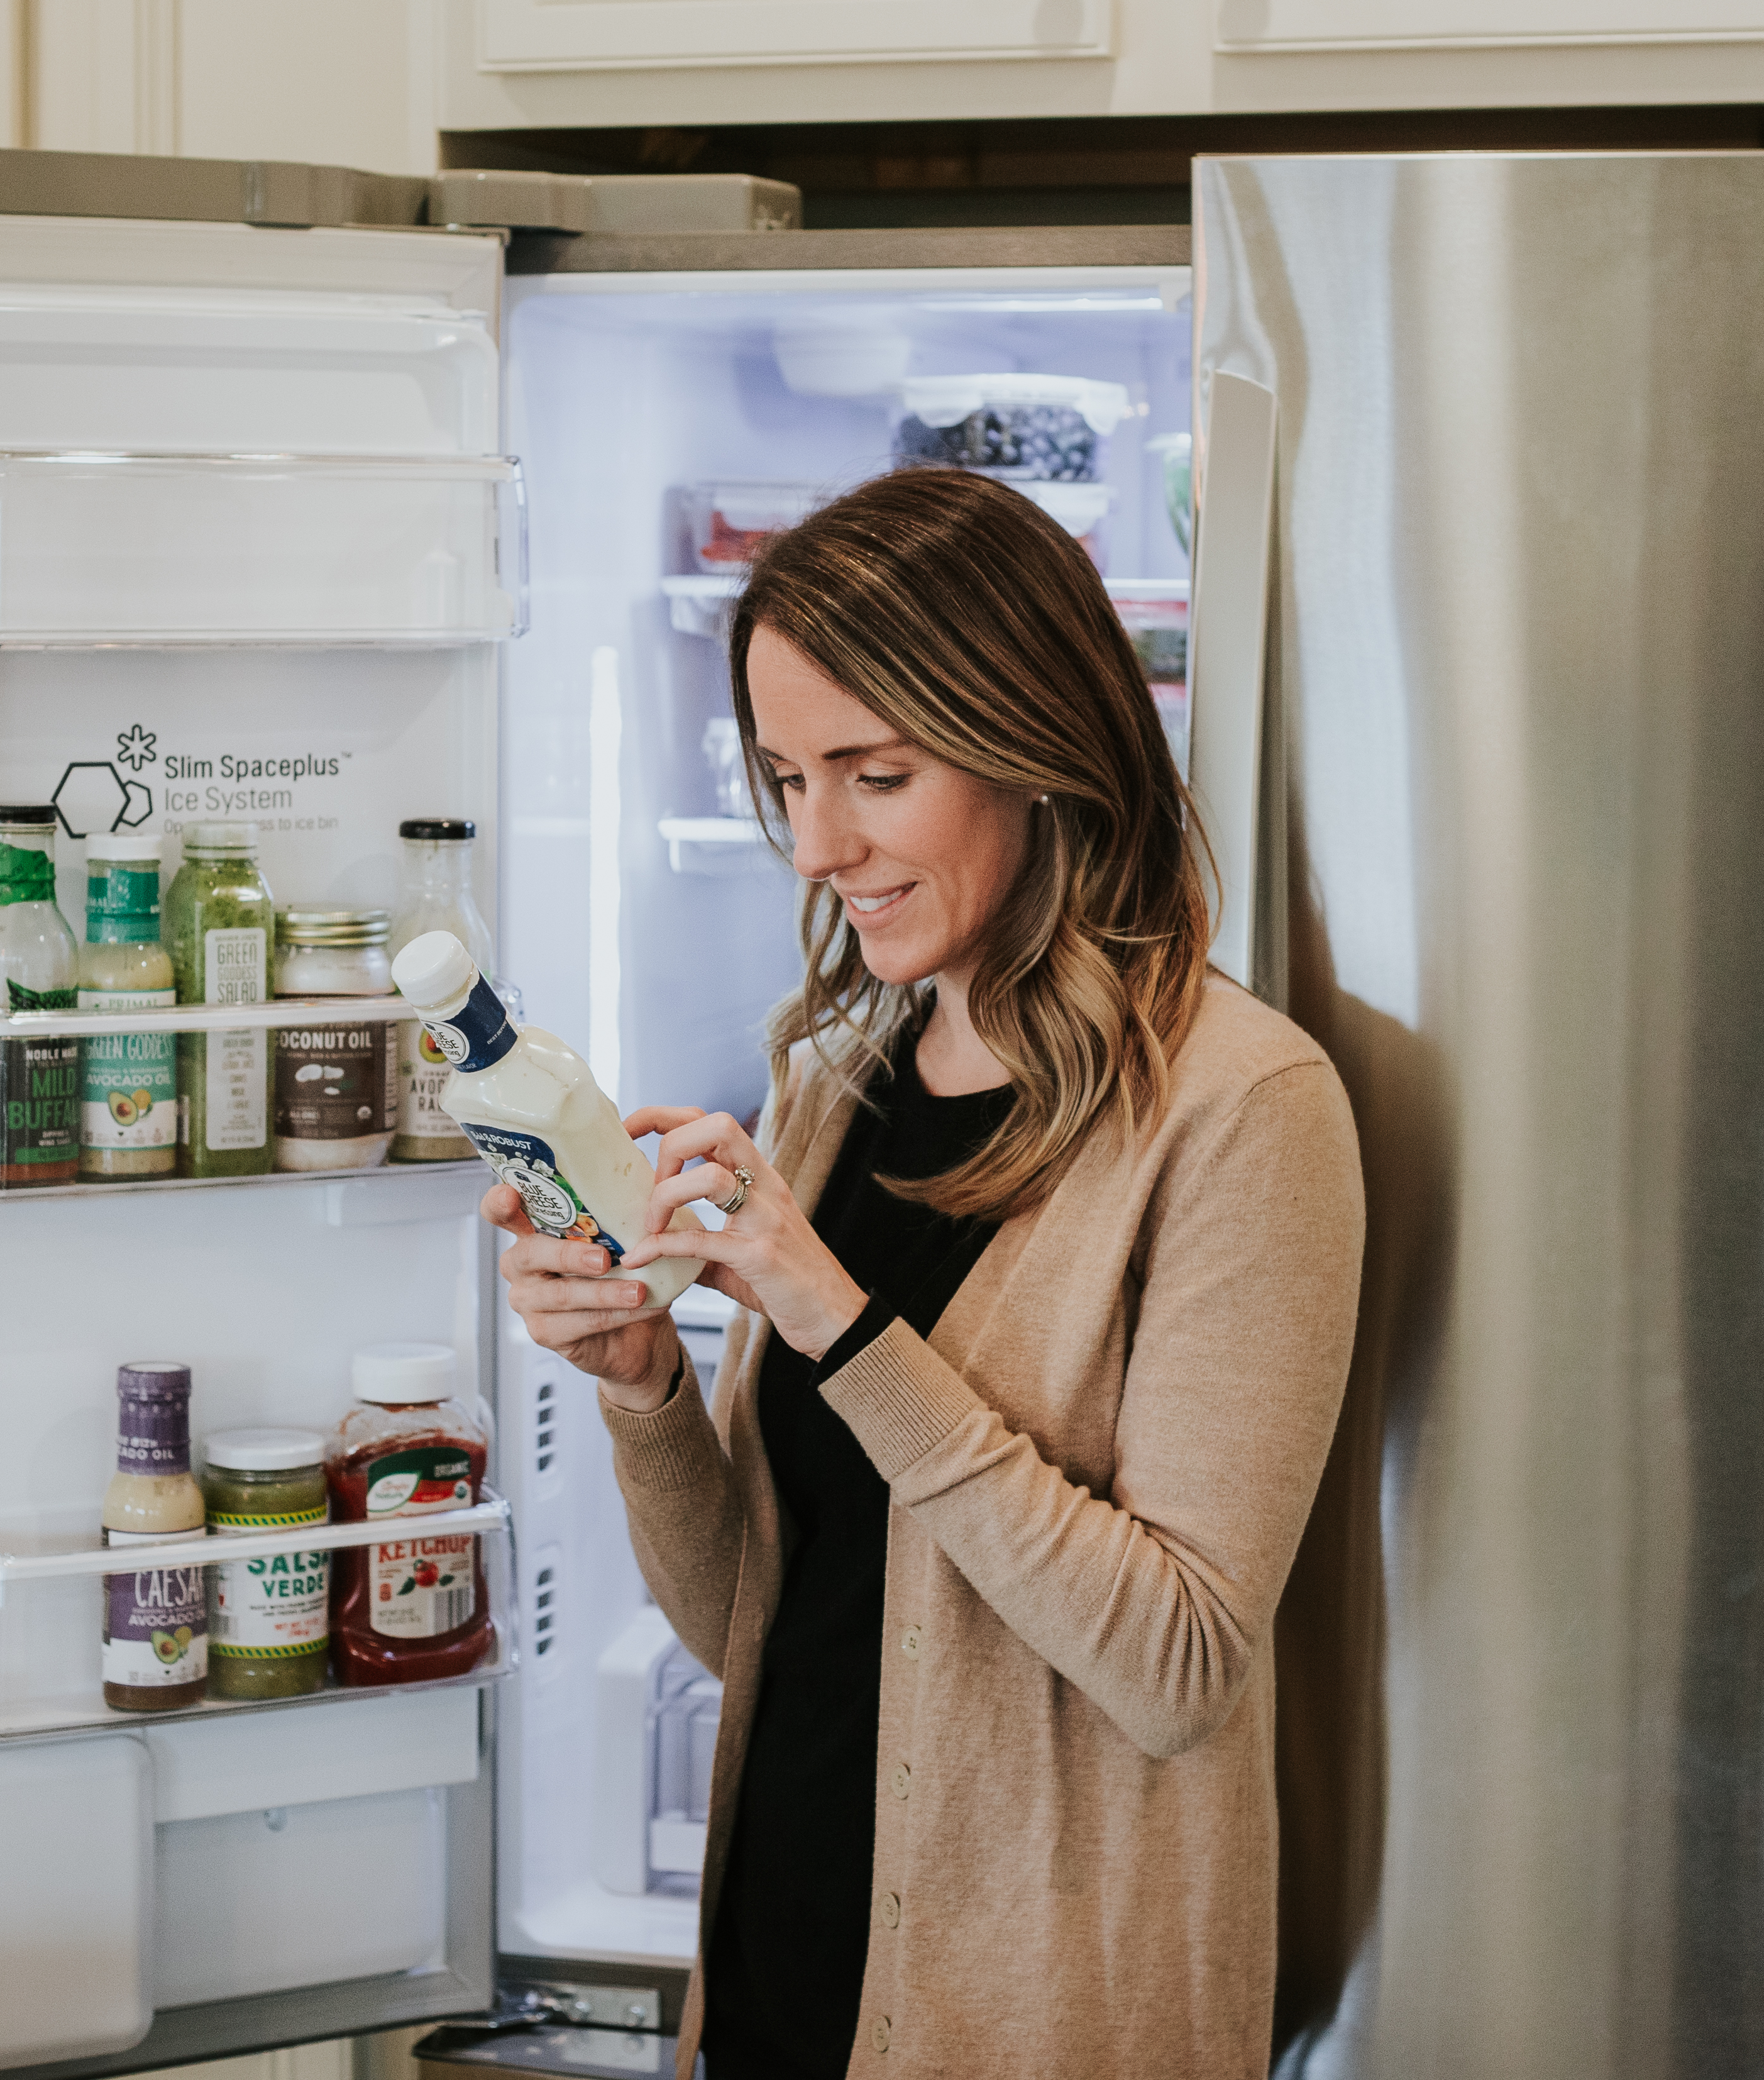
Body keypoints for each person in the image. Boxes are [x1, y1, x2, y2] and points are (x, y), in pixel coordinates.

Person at [484, 467, 1367, 2079]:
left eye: (873, 775)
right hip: (769, 1996)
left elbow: (1176, 1666)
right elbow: (754, 1625)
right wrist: (646, 1388)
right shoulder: (834, 1079)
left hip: (1040, 2018)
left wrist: (829, 1312)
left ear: (1035, 744)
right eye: (782, 778)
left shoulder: (1242, 1109)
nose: (817, 843)